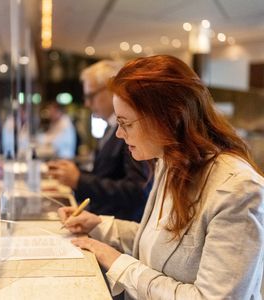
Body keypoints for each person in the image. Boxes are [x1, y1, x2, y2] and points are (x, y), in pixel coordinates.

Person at [58, 55, 264, 299]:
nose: (120, 135)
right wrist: (101, 225)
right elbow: (161, 244)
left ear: (166, 118)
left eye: (126, 124)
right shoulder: (169, 162)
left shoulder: (238, 189)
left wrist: (117, 263)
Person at [49, 60, 151, 221]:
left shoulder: (130, 132)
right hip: (104, 222)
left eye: (91, 96)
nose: (87, 103)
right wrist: (76, 175)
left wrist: (80, 180)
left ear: (112, 89)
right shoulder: (109, 128)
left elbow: (138, 190)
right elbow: (107, 175)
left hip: (121, 227)